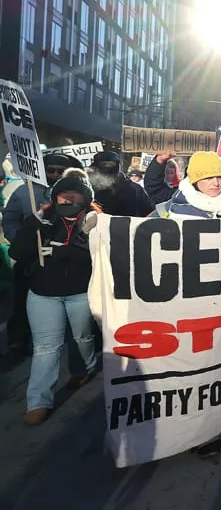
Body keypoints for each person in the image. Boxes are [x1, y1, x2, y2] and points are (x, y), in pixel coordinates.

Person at [151, 152, 221, 457]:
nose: (216, 182)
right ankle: (193, 428)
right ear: (195, 179)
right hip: (188, 302)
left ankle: (215, 426)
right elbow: (139, 239)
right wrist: (100, 230)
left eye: (219, 176)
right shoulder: (169, 210)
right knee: (195, 367)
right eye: (208, 177)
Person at [10, 168, 100, 425]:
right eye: (64, 194)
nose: (69, 199)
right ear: (55, 197)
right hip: (44, 294)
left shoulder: (95, 222)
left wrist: (87, 238)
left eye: (75, 194)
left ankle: (85, 368)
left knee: (82, 337)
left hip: (81, 293)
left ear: (85, 199)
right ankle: (38, 401)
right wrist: (32, 225)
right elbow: (18, 253)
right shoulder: (41, 222)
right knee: (46, 348)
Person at [3, 153, 82, 355]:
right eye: (51, 170)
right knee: (21, 301)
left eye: (60, 171)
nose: (55, 174)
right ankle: (18, 339)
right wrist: (21, 240)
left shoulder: (76, 194)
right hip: (30, 259)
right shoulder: (24, 192)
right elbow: (10, 220)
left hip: (61, 261)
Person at [152, 152, 221, 220]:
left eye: (220, 177)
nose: (216, 183)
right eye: (208, 178)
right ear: (194, 181)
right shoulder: (171, 208)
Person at [89, 151, 154, 217]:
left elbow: (148, 213)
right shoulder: (88, 189)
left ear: (118, 166)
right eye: (104, 165)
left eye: (112, 164)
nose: (108, 168)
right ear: (95, 167)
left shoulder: (134, 189)